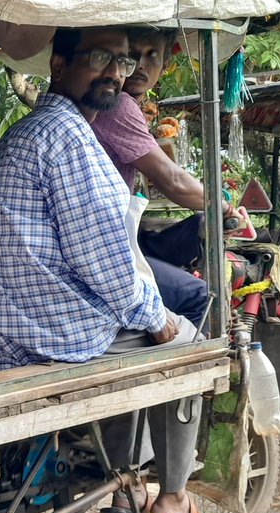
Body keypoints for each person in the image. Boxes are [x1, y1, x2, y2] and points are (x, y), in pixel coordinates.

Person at [0, 27, 212, 513]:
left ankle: (121, 475)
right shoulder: (69, 136)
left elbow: (97, 256)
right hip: (39, 329)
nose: (115, 73)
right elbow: (106, 262)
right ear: (58, 65)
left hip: (9, 320)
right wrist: (157, 318)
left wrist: (144, 309)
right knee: (187, 344)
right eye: (100, 58)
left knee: (136, 318)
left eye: (121, 63)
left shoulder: (40, 127)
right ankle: (170, 496)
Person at [89, 27, 237, 326]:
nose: (141, 64)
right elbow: (172, 180)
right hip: (100, 243)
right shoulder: (117, 104)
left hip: (110, 230)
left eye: (152, 56)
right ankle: (202, 370)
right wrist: (221, 205)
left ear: (166, 63)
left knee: (180, 236)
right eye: (132, 55)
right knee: (198, 295)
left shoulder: (118, 103)